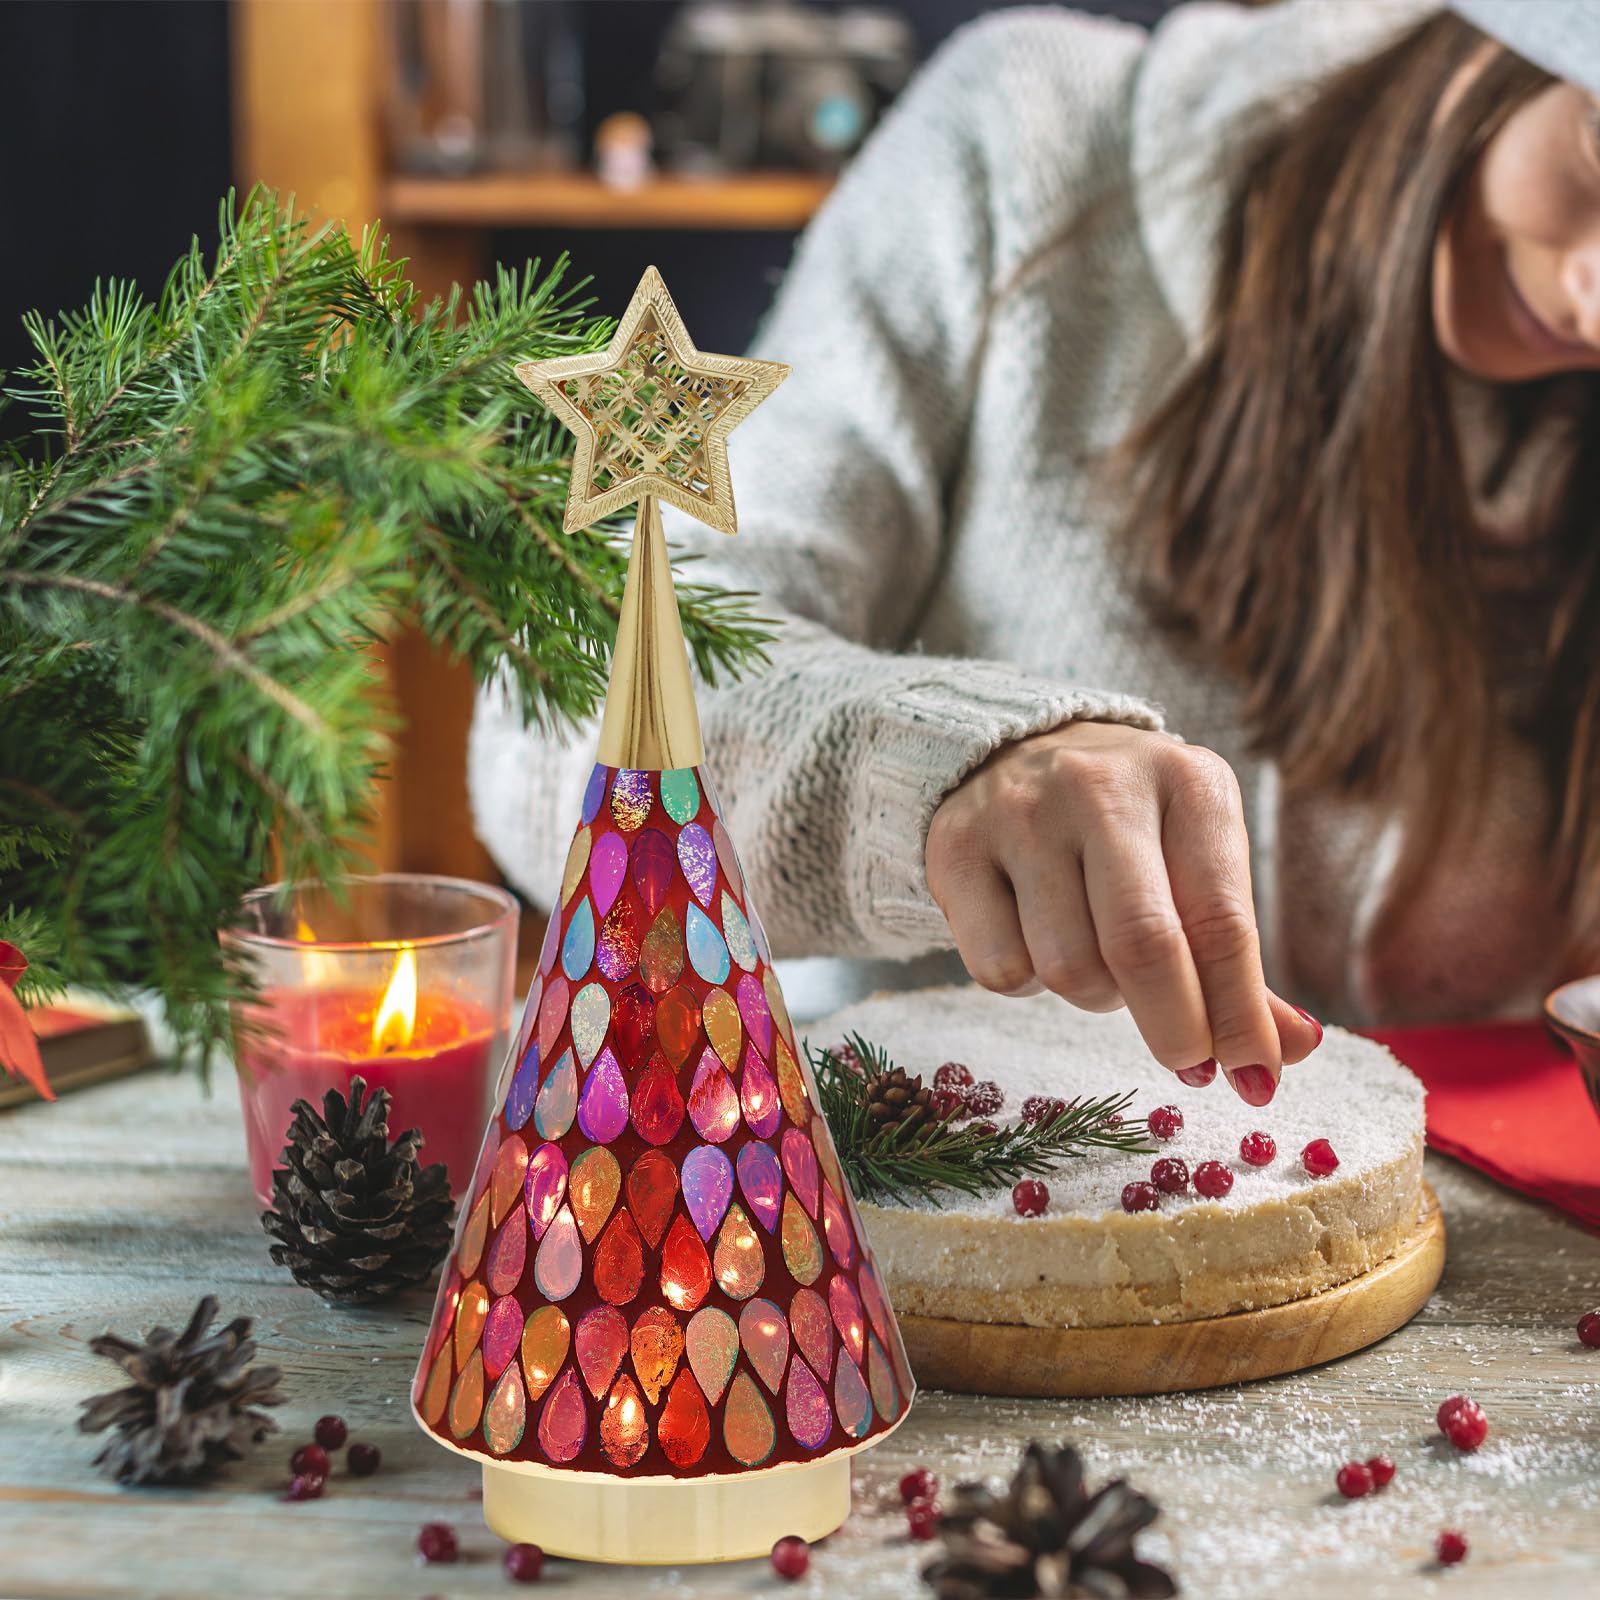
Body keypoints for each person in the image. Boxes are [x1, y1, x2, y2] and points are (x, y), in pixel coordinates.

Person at [470, 0, 1600, 1105]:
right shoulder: (1031, 144)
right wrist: (943, 777)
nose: (1592, 299)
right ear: (1508, 38)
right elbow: (563, 702)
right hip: (896, 1237)